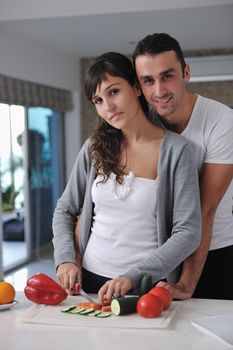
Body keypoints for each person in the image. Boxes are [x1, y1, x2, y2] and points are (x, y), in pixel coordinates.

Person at [52, 52, 201, 303]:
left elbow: (188, 231)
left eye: (113, 92)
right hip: (89, 282)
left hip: (146, 284)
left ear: (135, 87)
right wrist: (65, 260)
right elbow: (65, 210)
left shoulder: (177, 151)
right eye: (98, 100)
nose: (108, 107)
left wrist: (133, 276)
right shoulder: (93, 148)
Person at [133, 33, 233, 300]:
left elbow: (206, 208)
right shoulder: (143, 122)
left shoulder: (221, 121)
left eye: (167, 76)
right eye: (148, 80)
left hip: (213, 252)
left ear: (186, 72)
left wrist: (187, 284)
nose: (159, 91)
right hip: (161, 252)